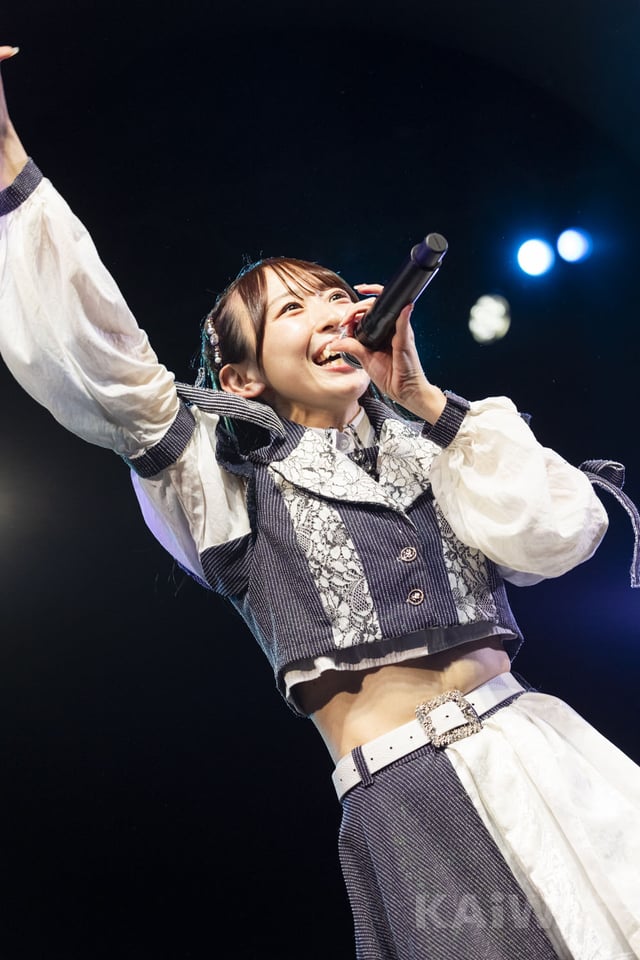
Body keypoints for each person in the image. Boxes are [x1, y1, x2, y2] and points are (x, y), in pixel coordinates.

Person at [1, 46, 639, 960]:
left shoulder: (443, 442)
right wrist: (6, 156)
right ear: (241, 377)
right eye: (294, 310)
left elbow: (561, 536)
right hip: (416, 802)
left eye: (339, 297)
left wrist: (429, 401)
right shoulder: (219, 481)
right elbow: (98, 354)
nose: (336, 314)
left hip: (552, 756)